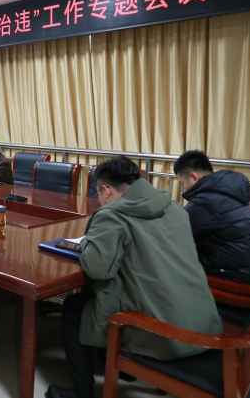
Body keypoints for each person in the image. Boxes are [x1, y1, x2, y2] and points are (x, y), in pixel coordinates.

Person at [46, 156, 223, 398]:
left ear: (106, 190)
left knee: (73, 307)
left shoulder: (112, 215)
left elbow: (97, 269)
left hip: (165, 333)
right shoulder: (173, 207)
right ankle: (116, 362)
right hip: (203, 323)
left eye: (98, 194)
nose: (99, 199)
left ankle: (81, 392)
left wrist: (88, 243)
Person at [174, 150, 250, 285]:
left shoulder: (207, 201)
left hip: (238, 278)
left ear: (194, 177)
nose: (184, 190)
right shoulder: (228, 195)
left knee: (170, 264)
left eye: (182, 183)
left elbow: (172, 232)